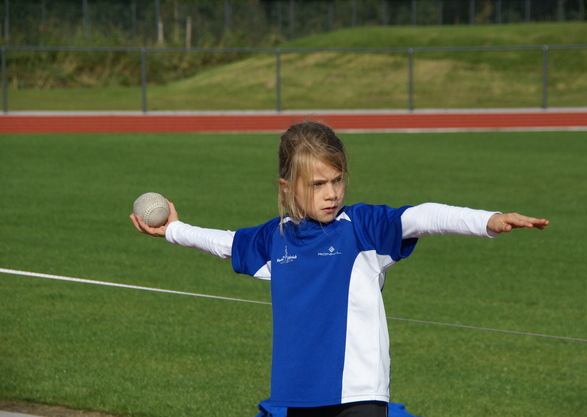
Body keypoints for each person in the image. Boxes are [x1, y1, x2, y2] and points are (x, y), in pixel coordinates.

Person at [130, 121, 549, 417]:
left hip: (360, 396)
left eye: (337, 180)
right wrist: (174, 229)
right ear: (286, 187)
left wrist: (486, 220)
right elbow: (225, 243)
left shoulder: (362, 228)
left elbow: (421, 216)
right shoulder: (276, 238)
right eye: (317, 184)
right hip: (298, 394)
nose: (331, 194)